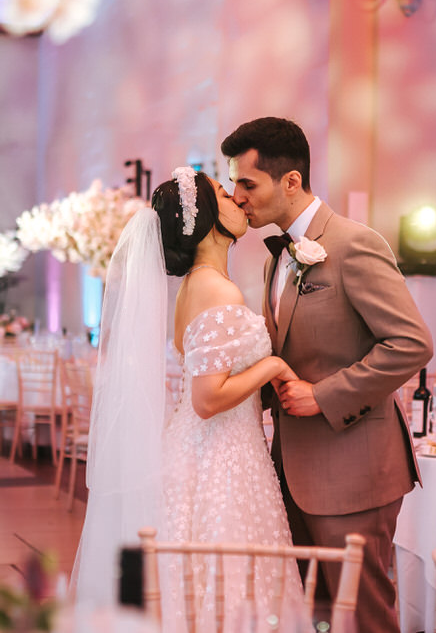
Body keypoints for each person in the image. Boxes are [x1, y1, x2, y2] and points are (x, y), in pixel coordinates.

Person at [222, 117, 434, 633]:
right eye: (234, 185)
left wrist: (325, 394)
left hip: (354, 472)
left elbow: (412, 343)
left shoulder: (353, 244)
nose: (238, 197)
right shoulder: (276, 260)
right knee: (310, 617)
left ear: (290, 181)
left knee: (360, 618)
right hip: (289, 471)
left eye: (248, 183)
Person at [71, 167, 303, 629]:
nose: (237, 199)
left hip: (202, 449)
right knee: (226, 583)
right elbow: (207, 398)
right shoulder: (216, 288)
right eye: (224, 193)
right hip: (219, 456)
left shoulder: (194, 288)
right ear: (204, 221)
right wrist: (273, 366)